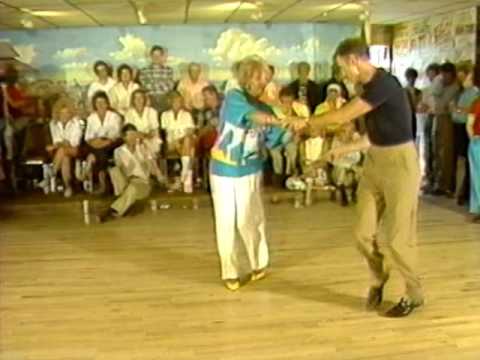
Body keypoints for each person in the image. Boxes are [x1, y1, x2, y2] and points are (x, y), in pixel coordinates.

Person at [294, 38, 424, 317]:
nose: (343, 75)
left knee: (399, 238)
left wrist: (306, 123)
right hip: (375, 162)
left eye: (343, 68)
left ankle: (414, 294)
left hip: (401, 164)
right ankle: (379, 278)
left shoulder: (385, 84)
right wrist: (343, 149)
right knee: (362, 235)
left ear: (355, 61)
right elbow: (375, 135)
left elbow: (344, 116)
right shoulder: (366, 88)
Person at [210, 56, 292, 291]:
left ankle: (258, 264)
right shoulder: (234, 98)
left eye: (265, 80)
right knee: (227, 221)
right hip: (224, 169)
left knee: (252, 219)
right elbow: (254, 118)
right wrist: (278, 120)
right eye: (259, 79)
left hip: (252, 169)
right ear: (247, 78)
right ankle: (230, 271)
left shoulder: (266, 107)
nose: (263, 84)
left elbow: (275, 141)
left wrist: (293, 128)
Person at [97, 124, 152, 223]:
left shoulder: (143, 148)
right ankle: (123, 206)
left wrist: (142, 158)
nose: (132, 138)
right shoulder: (119, 151)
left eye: (134, 135)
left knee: (133, 187)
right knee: (114, 170)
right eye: (129, 135)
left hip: (141, 183)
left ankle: (114, 210)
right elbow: (123, 170)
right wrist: (130, 165)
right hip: (126, 181)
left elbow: (151, 166)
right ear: (124, 137)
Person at [451, 63, 479, 206]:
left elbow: (470, 111)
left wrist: (459, 109)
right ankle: (460, 192)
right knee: (462, 160)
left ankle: (465, 193)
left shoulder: (475, 93)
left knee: (469, 163)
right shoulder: (462, 92)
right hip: (459, 127)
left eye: (463, 74)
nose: (460, 77)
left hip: (468, 129)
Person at [269, 86, 309, 186]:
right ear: (280, 100)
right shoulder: (274, 110)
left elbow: (306, 124)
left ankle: (289, 175)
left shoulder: (301, 108)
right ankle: (278, 177)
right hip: (278, 138)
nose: (287, 104)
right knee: (275, 151)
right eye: (284, 101)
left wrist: (298, 134)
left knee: (292, 150)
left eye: (289, 101)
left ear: (293, 99)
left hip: (294, 137)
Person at [84, 91, 122, 195]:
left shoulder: (114, 116)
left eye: (103, 102)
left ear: (107, 103)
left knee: (98, 153)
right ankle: (103, 185)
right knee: (100, 153)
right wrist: (95, 142)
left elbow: (114, 135)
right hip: (95, 144)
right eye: (97, 102)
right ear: (94, 105)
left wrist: (102, 141)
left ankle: (90, 167)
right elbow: (88, 137)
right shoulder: (91, 118)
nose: (100, 105)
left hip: (112, 144)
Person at [431, 62, 461, 196]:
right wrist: (439, 80)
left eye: (446, 74)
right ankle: (437, 182)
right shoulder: (440, 82)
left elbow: (447, 104)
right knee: (436, 150)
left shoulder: (455, 87)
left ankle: (446, 185)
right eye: (442, 74)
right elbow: (435, 92)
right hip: (437, 117)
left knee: (446, 153)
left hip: (448, 119)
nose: (443, 77)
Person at [124, 89, 164, 184]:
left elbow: (153, 132)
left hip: (152, 142)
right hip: (135, 143)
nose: (138, 100)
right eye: (136, 98)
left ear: (144, 99)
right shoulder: (129, 114)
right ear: (133, 100)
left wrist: (141, 135)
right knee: (141, 147)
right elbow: (129, 133)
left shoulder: (152, 112)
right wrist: (142, 135)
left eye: (140, 97)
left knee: (143, 146)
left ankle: (146, 178)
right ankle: (157, 174)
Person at [46, 98, 83, 198]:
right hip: (60, 152)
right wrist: (59, 144)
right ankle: (68, 187)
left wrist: (57, 145)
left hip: (75, 150)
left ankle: (51, 174)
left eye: (67, 113)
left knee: (62, 150)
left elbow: (74, 142)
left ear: (71, 113)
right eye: (62, 113)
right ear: (57, 113)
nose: (64, 115)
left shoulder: (76, 122)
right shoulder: (53, 123)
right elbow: (56, 141)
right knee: (65, 158)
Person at [161, 91, 196, 193]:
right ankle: (186, 176)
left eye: (180, 101)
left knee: (187, 140)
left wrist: (179, 139)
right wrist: (175, 140)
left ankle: (183, 175)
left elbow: (190, 131)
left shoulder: (187, 115)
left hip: (186, 140)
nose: (178, 104)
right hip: (171, 142)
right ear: (170, 102)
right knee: (191, 151)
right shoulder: (165, 115)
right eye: (175, 101)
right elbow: (167, 132)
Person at [418, 63, 440, 191]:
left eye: (433, 74)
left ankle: (435, 179)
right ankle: (429, 177)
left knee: (436, 149)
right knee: (427, 149)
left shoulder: (440, 89)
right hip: (428, 118)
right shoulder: (427, 90)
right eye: (429, 75)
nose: (431, 77)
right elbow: (422, 105)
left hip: (436, 117)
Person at [329, 122, 362, 206]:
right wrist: (350, 166)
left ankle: (353, 192)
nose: (345, 133)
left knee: (358, 172)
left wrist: (357, 141)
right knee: (341, 170)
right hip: (339, 170)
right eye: (343, 131)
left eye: (350, 131)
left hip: (353, 169)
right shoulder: (336, 140)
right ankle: (343, 192)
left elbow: (358, 157)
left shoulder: (355, 141)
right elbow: (335, 160)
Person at [138, 46, 175, 114]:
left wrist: (153, 84)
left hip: (164, 98)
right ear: (151, 56)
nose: (156, 57)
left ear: (162, 56)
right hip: (150, 99)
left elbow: (170, 86)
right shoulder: (144, 71)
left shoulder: (169, 70)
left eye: (158, 55)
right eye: (154, 55)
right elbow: (145, 86)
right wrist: (162, 84)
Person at [467, 93, 480, 223]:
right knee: (477, 177)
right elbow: (470, 124)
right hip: (478, 143)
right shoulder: (477, 103)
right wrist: (473, 139)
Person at [404, 68, 422, 142]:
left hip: (413, 116)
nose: (412, 80)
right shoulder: (403, 91)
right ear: (407, 78)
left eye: (413, 78)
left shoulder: (418, 92)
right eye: (410, 77)